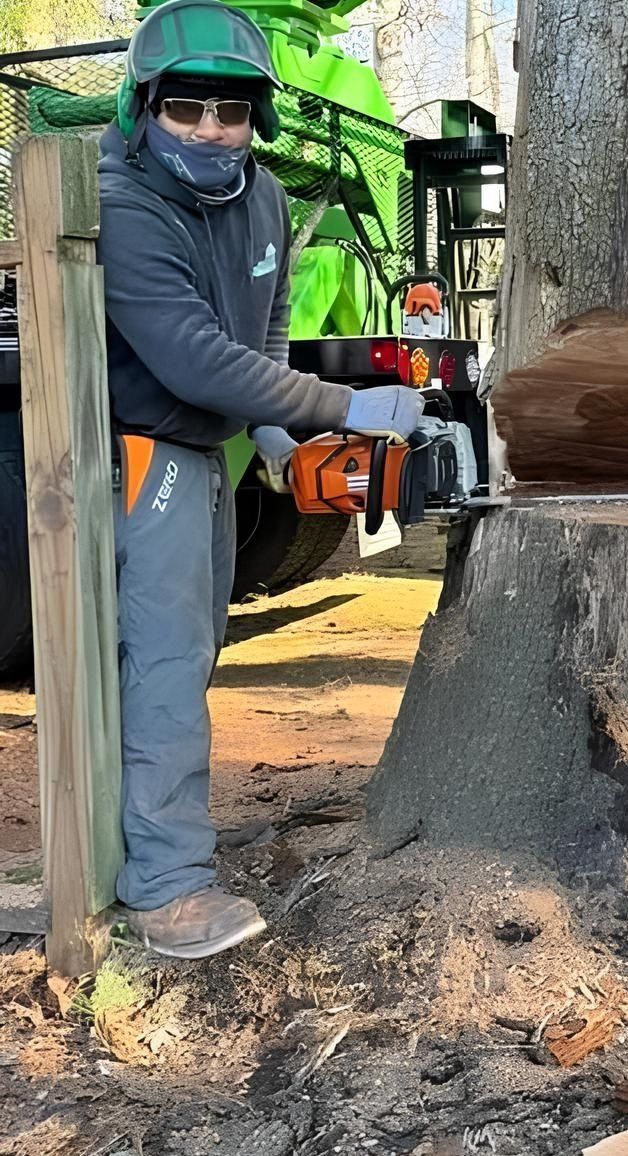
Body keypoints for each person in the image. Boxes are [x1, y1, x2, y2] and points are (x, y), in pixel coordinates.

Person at [99, 0, 420, 958]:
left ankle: (155, 850)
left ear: (257, 119)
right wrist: (347, 407)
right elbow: (194, 358)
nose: (210, 128)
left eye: (231, 111)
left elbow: (263, 334)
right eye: (186, 107)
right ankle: (166, 890)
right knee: (161, 667)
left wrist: (279, 439)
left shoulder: (268, 198)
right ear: (144, 106)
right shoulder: (125, 200)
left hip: (211, 453)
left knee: (189, 656)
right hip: (141, 446)